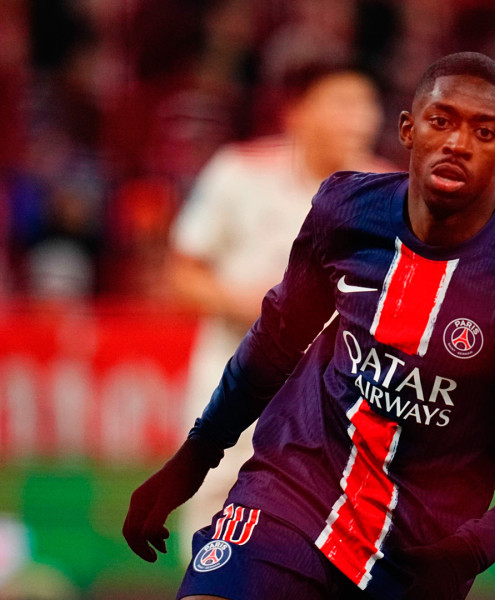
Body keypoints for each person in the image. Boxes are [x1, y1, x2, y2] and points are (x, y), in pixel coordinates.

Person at [124, 52, 495, 600]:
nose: (458, 143)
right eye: (440, 121)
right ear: (408, 129)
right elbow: (276, 342)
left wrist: (466, 553)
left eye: (484, 131)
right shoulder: (347, 208)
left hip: (414, 556)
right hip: (289, 496)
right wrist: (193, 459)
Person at [168, 62, 392, 555]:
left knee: (331, 531)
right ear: (298, 113)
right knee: (216, 519)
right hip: (237, 378)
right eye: (342, 104)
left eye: (366, 105)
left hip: (339, 391)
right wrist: (254, 306)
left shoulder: (392, 194)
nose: (359, 119)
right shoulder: (239, 170)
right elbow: (182, 271)